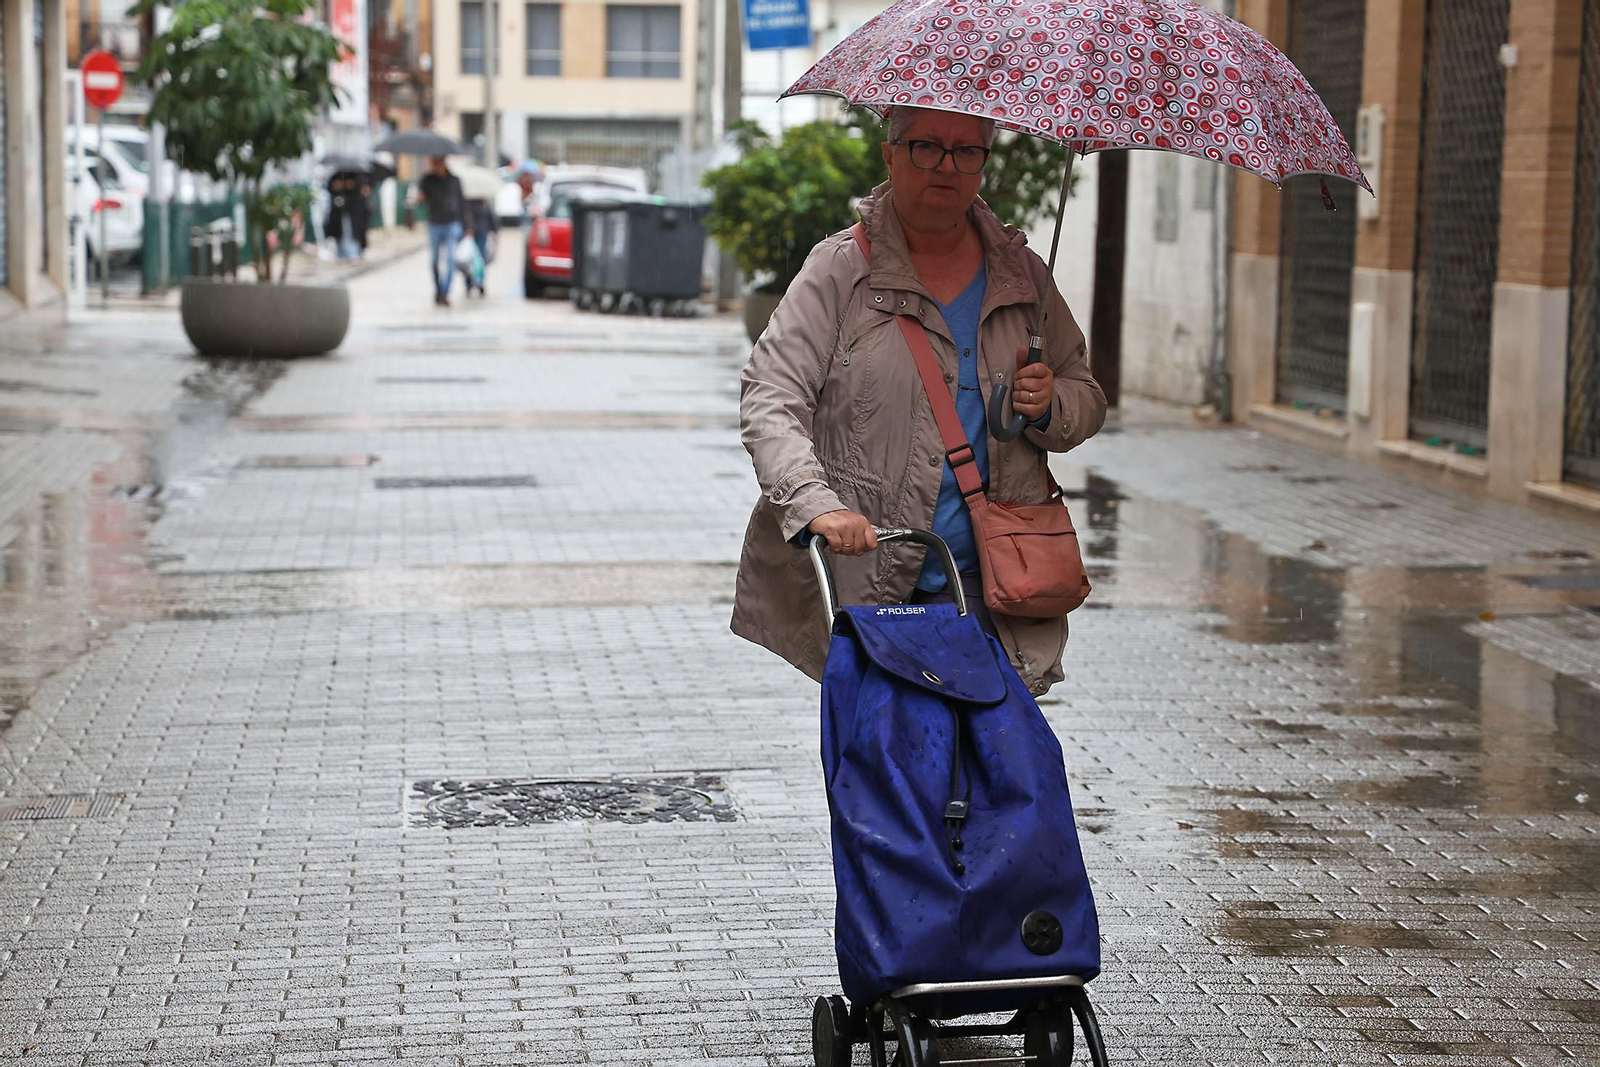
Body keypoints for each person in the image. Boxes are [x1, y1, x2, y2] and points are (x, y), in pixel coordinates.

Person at [731, 106, 1108, 696]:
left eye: (966, 152)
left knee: (992, 770)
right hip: (873, 577)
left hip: (995, 582)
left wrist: (1050, 400)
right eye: (925, 146)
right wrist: (814, 503)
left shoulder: (1024, 279)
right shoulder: (841, 270)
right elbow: (771, 395)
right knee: (891, 770)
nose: (946, 166)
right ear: (890, 154)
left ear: (985, 163)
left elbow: (1085, 395)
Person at [418, 156, 465, 306]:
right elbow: (422, 199)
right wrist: (420, 197)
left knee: (451, 259)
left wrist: (465, 226)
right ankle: (438, 289)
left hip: (451, 223)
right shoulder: (427, 179)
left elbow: (461, 202)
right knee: (434, 261)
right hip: (434, 223)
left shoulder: (454, 180)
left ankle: (445, 292)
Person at [460, 196, 497, 297]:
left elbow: (490, 218)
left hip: (481, 233)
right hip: (470, 234)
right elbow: (462, 219)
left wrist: (494, 231)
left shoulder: (483, 203)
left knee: (480, 260)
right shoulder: (466, 204)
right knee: (468, 260)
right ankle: (469, 284)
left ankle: (480, 282)